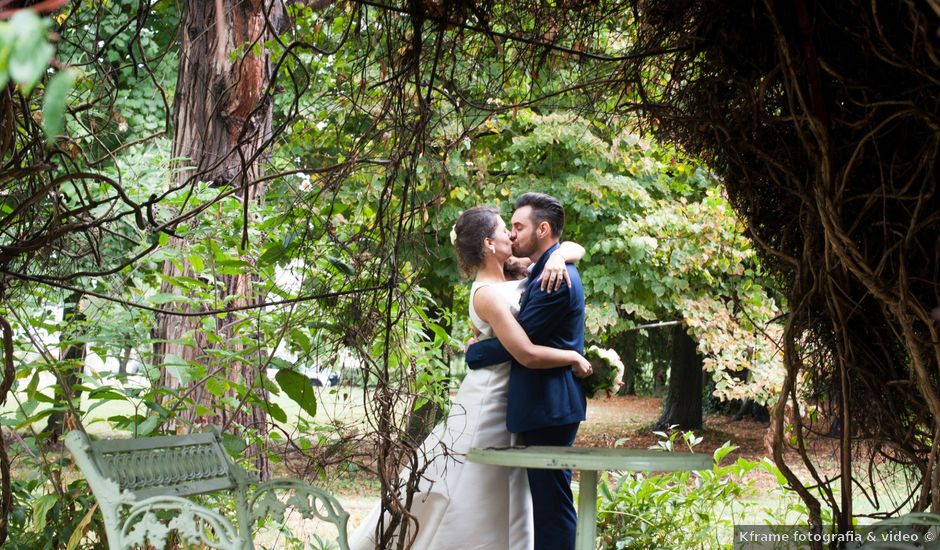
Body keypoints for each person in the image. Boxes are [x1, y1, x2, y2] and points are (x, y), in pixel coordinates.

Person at [349, 206, 591, 550]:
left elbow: (572, 249)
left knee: (509, 488)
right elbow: (524, 352)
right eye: (505, 230)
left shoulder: (517, 274)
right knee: (473, 486)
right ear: (489, 243)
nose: (511, 234)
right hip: (491, 396)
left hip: (517, 396)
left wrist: (559, 255)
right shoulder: (487, 293)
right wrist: (572, 356)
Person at [465, 192, 587, 550]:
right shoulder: (538, 269)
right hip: (537, 404)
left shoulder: (555, 278)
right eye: (509, 228)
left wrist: (476, 352)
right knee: (542, 501)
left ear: (543, 229)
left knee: (551, 505)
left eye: (518, 226)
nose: (513, 234)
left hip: (548, 406)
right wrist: (561, 253)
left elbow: (523, 344)